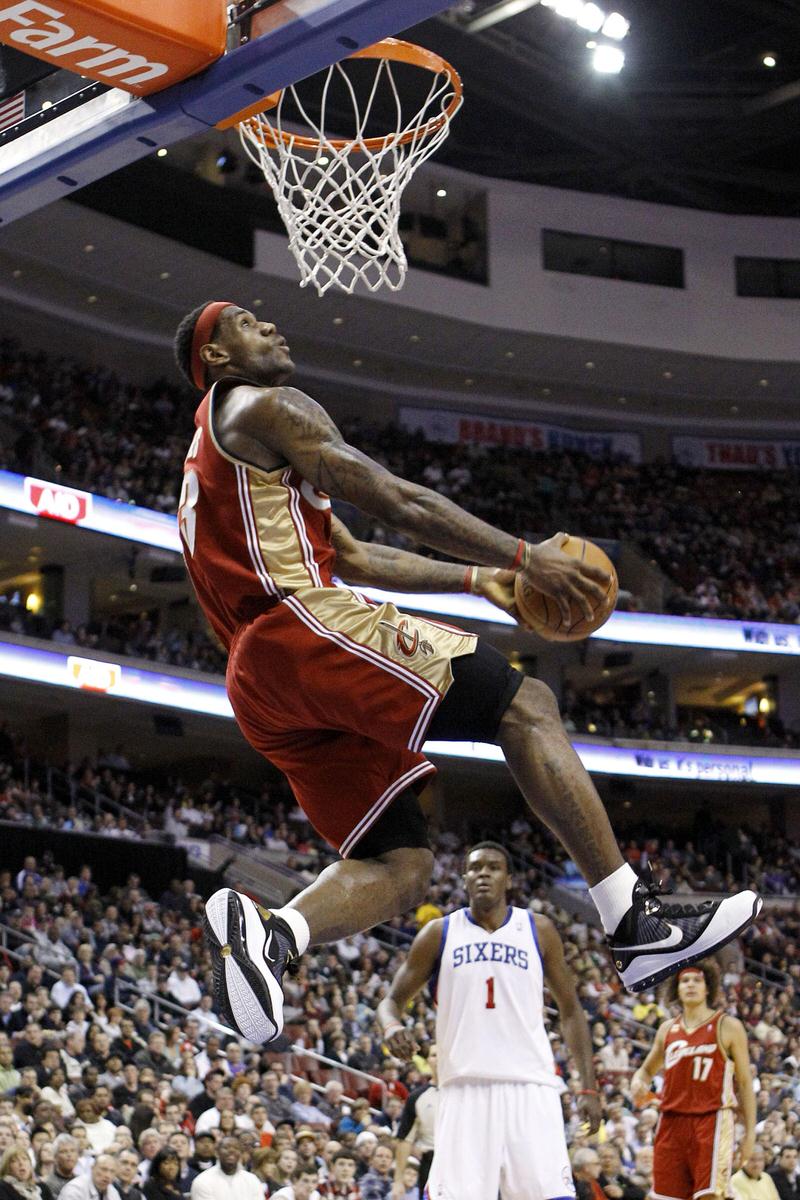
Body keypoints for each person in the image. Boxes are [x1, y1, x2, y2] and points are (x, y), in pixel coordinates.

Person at [173, 300, 761, 1044]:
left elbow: (353, 555)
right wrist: (522, 555)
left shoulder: (215, 459)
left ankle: (272, 938)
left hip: (260, 683)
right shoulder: (266, 406)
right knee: (527, 706)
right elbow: (394, 496)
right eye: (248, 325)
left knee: (402, 863)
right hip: (300, 627)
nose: (271, 327)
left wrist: (475, 579)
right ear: (217, 360)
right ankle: (632, 919)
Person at [376, 841, 600, 1200]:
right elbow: (390, 1002)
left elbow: (572, 1010)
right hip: (464, 1087)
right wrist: (392, 1027)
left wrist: (588, 1086)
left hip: (531, 1086)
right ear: (464, 878)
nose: (483, 874)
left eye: (493, 867)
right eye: (476, 868)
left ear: (508, 879)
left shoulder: (538, 930)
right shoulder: (438, 934)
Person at [631, 961, 756, 1200]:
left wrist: (750, 1134)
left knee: (710, 1195)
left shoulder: (727, 1026)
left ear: (707, 988)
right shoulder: (667, 1029)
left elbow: (745, 1083)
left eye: (697, 980)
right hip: (671, 1121)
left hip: (711, 1119)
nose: (690, 985)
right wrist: (638, 1081)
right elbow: (645, 1071)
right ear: (677, 989)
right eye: (684, 981)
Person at [392, 1052, 437, 1200]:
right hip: (431, 1164)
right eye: (433, 1054)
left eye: (441, 1053)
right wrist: (398, 1181)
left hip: (462, 1161)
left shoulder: (466, 1093)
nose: (437, 1058)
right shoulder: (417, 1096)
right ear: (427, 1061)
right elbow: (405, 1139)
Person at [188, 1137, 261, 1200]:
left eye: (236, 1148)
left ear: (240, 1153)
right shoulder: (202, 1180)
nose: (231, 1151)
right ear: (217, 1152)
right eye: (226, 1147)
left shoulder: (252, 1179)